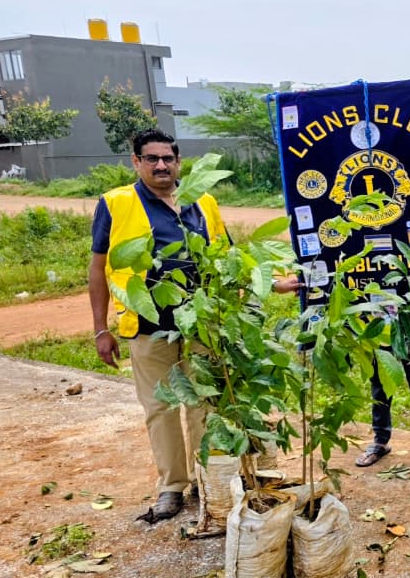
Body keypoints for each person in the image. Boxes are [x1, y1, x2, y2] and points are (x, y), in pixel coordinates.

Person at [89, 129, 298, 522]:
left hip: (204, 324)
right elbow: (99, 268)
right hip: (149, 326)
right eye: (151, 158)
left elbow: (227, 258)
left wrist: (273, 282)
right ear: (135, 162)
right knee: (160, 408)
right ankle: (172, 486)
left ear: (179, 162)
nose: (161, 165)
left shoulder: (202, 201)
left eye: (167, 158)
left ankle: (208, 480)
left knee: (206, 404)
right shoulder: (115, 203)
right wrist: (101, 328)